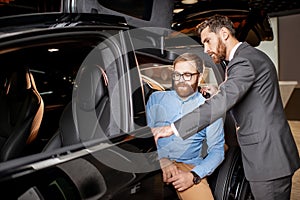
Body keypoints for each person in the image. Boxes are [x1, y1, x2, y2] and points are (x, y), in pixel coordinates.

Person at [152, 15, 300, 200]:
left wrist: (173, 128)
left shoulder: (243, 60)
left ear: (224, 34)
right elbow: (237, 92)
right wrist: (217, 90)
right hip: (269, 155)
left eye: (208, 41)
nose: (206, 49)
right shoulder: (247, 57)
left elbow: (223, 101)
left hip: (267, 160)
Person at [146, 53, 224, 200]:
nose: (181, 80)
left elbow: (217, 151)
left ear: (200, 77)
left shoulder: (210, 108)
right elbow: (146, 137)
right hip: (154, 163)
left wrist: (193, 176)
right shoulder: (156, 99)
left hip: (188, 167)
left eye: (187, 75)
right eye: (177, 75)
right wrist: (161, 159)